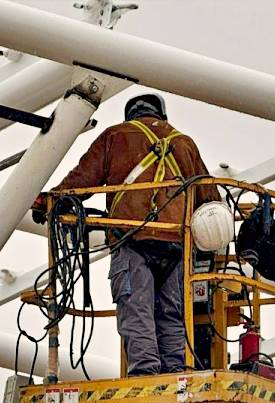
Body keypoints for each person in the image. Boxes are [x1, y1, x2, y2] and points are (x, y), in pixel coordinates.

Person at [34, 93, 220, 376]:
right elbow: (210, 200)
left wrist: (50, 201)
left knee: (137, 311)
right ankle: (175, 374)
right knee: (172, 314)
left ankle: (145, 375)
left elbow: (82, 181)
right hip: (175, 245)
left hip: (133, 241)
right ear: (162, 116)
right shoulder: (183, 143)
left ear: (130, 115)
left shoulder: (115, 137)